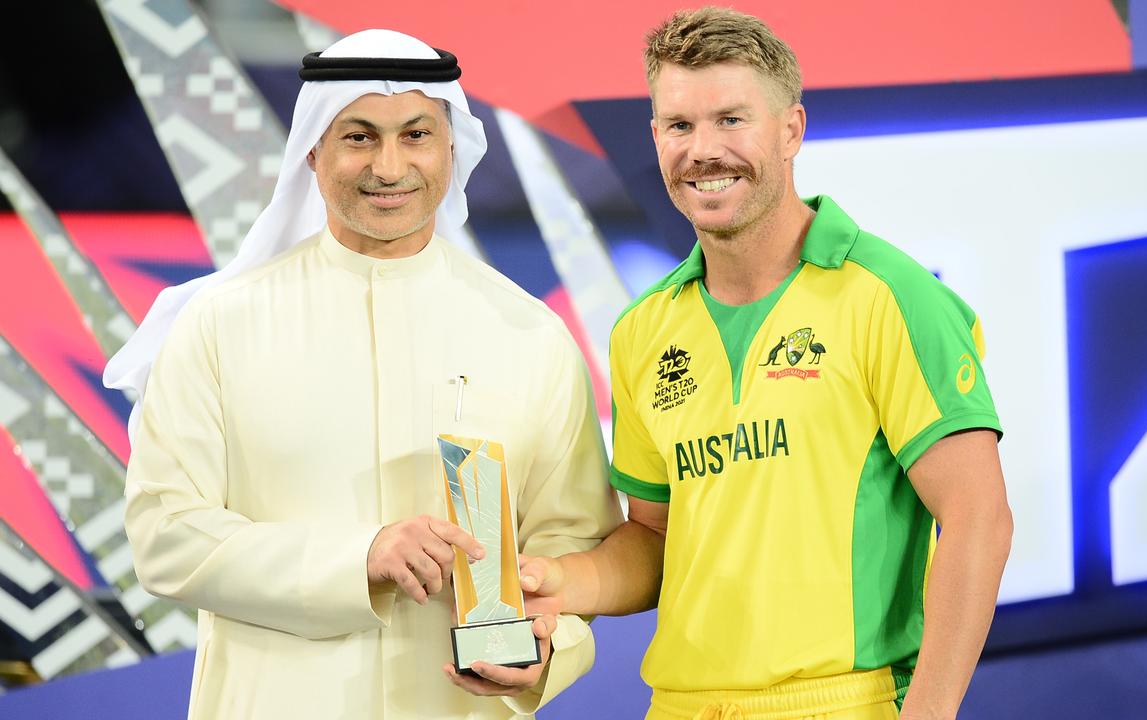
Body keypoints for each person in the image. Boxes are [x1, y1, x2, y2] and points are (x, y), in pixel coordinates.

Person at [106, 29, 623, 719]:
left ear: (451, 149)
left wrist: (543, 654)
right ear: (314, 153)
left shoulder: (529, 335)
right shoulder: (219, 325)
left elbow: (573, 550)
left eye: (415, 135)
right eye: (358, 137)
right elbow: (165, 537)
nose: (389, 165)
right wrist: (361, 560)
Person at [517, 8, 1013, 719]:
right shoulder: (642, 331)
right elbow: (657, 539)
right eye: (680, 126)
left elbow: (979, 519)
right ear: (655, 137)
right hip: (681, 704)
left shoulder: (891, 297)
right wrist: (562, 582)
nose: (703, 150)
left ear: (791, 130)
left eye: (731, 120)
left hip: (846, 701)